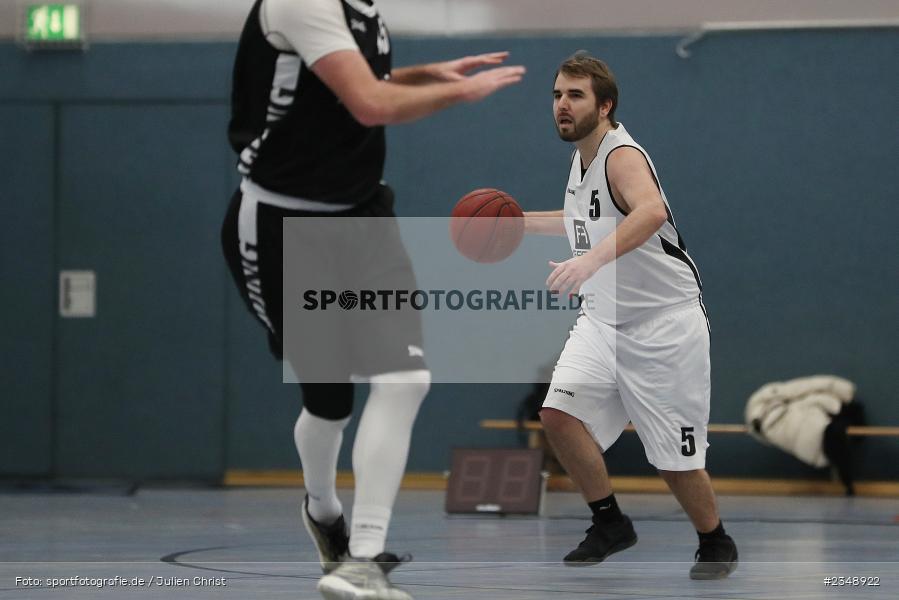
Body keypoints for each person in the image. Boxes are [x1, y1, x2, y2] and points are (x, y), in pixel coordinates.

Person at [221, 1, 524, 598]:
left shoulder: (362, 7)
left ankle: (362, 557)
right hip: (285, 224)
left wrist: (425, 75)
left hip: (362, 216)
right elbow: (368, 103)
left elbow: (353, 88)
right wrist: (460, 95)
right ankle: (323, 511)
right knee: (329, 402)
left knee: (405, 379)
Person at [523, 52, 738, 579]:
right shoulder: (580, 160)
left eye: (575, 96)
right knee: (557, 415)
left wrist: (589, 262)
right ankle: (609, 521)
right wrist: (514, 224)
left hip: (664, 322)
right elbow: (580, 221)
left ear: (605, 104)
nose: (562, 105)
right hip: (603, 319)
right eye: (557, 95)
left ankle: (715, 539)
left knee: (673, 461)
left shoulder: (621, 154)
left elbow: (651, 211)